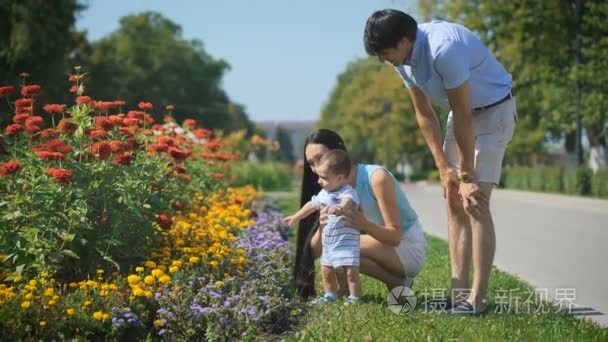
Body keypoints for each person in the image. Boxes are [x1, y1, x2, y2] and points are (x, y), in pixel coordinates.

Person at [364, 9, 517, 315]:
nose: (384, 59)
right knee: (453, 203)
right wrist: (444, 168)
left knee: (476, 202)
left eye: (385, 52)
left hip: (492, 113)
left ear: (405, 39)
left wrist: (467, 177)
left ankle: (477, 299)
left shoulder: (444, 48)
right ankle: (458, 296)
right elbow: (424, 114)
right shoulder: (402, 61)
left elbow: (463, 113)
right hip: (460, 116)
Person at [293, 129, 427, 303]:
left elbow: (395, 237)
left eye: (320, 158)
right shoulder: (329, 188)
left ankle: (345, 292)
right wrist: (322, 227)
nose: (316, 168)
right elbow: (316, 252)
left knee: (341, 244)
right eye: (311, 163)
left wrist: (363, 224)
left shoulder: (376, 178)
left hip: (407, 247)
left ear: (340, 153)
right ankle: (397, 283)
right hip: (378, 246)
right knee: (337, 246)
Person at [284, 149, 362, 305]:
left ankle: (355, 297)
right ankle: (330, 294)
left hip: (346, 242)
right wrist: (296, 216)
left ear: (340, 178)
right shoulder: (324, 193)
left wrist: (340, 208)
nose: (319, 181)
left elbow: (348, 203)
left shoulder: (348, 192)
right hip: (329, 242)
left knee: (351, 273)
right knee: (326, 270)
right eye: (319, 176)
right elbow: (311, 205)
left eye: (324, 178)